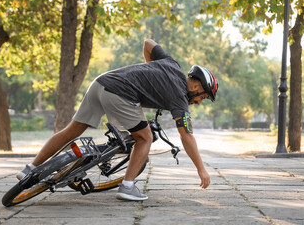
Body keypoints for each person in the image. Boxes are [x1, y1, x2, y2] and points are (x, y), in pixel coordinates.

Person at [17, 39, 218, 201]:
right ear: (196, 86)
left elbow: (148, 43)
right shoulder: (180, 97)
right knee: (145, 138)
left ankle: (30, 168)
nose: (199, 102)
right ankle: (127, 186)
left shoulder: (171, 64)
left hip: (100, 83)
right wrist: (201, 169)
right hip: (120, 93)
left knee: (72, 130)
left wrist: (151, 73)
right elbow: (186, 136)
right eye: (203, 97)